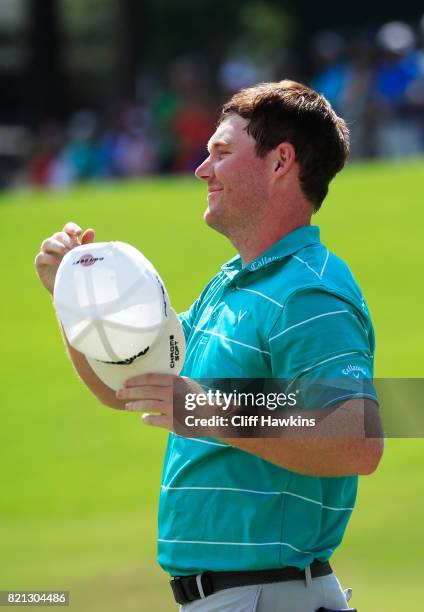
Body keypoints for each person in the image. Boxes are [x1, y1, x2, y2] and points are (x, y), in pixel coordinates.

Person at [35, 80, 384, 612]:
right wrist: (75, 299)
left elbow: (357, 435)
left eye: (221, 152)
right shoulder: (232, 285)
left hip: (272, 597)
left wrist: (206, 408)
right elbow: (131, 387)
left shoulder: (311, 290)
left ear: (280, 162)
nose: (202, 169)